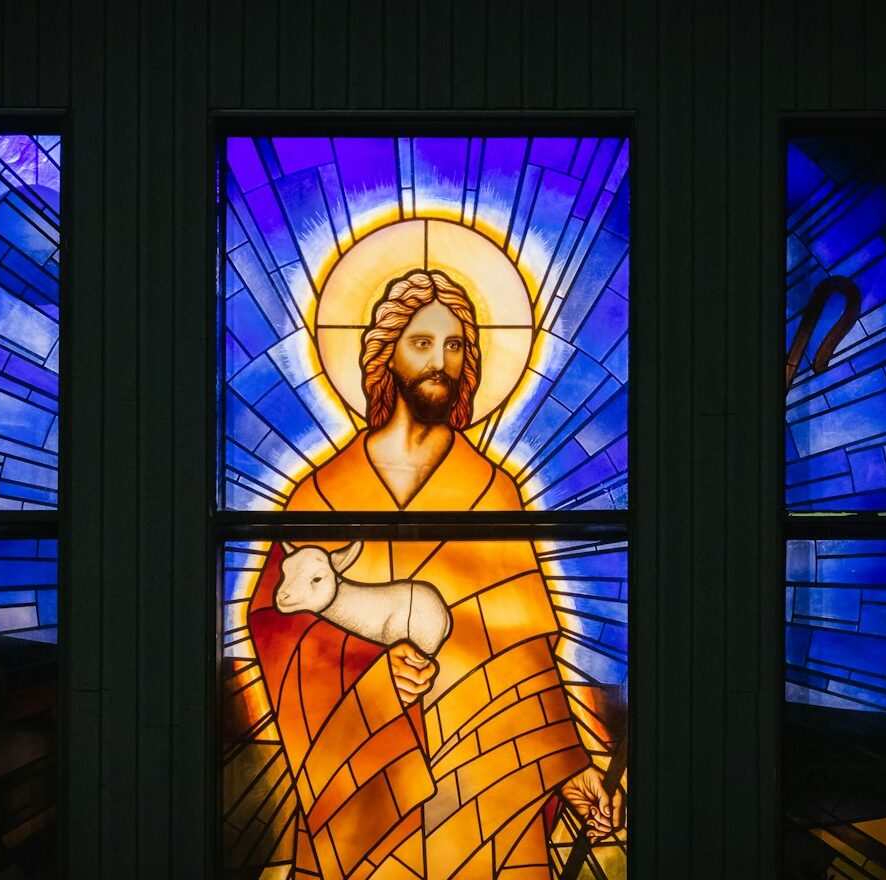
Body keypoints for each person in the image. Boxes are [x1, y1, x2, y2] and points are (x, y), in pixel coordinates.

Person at [248, 269, 620, 880]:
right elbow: (279, 631)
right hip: (363, 793)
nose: (440, 362)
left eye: (454, 346)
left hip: (487, 782)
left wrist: (571, 768)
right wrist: (372, 678)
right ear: (386, 352)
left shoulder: (495, 493)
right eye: (422, 343)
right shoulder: (318, 497)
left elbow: (524, 659)